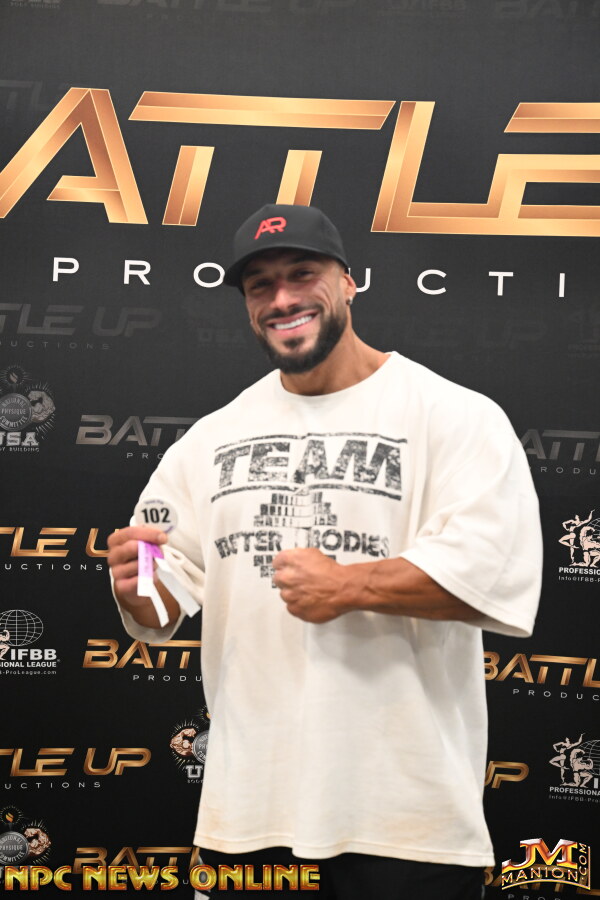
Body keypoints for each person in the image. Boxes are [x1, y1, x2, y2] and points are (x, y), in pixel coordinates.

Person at [107, 204, 543, 899]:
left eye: (301, 274)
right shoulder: (210, 440)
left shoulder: (454, 416)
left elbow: (491, 575)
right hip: (248, 814)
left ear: (347, 282)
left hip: (406, 817)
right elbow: (161, 602)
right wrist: (137, 586)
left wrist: (351, 586)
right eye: (261, 285)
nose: (282, 299)